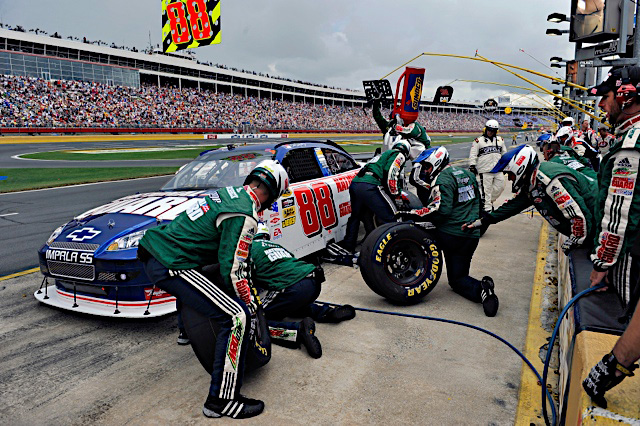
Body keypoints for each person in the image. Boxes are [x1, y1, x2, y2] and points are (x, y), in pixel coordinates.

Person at [138, 160, 289, 419]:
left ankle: (185, 331)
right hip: (172, 261)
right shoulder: (245, 212)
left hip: (159, 252)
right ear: (272, 193)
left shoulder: (229, 193)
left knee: (205, 279)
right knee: (237, 317)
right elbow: (234, 271)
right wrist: (251, 303)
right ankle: (222, 401)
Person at [581, 67, 640, 407]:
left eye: (605, 97)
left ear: (625, 95)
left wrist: (601, 263)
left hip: (633, 254)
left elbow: (618, 212)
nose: (602, 105)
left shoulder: (631, 143)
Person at [400, 146, 499, 317]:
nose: (425, 170)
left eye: (426, 166)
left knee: (414, 228)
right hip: (471, 236)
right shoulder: (467, 174)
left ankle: (409, 274)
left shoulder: (442, 179)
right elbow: (480, 202)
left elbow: (441, 211)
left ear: (436, 162)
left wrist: (411, 214)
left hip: (451, 236)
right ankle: (483, 289)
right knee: (458, 279)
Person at [464, 145, 598, 256]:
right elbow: (512, 207)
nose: (510, 179)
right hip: (594, 223)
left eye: (509, 173)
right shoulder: (533, 183)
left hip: (599, 219)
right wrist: (481, 222)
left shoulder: (547, 178)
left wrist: (576, 240)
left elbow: (578, 215)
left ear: (518, 166)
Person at [251, 223, 356, 329]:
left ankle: (297, 330)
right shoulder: (277, 246)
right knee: (286, 304)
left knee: (256, 318)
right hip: (313, 280)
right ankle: (325, 312)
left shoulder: (249, 248)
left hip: (293, 286)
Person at [341, 139, 411, 253]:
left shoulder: (382, 154)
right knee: (391, 216)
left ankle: (349, 246)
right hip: (370, 185)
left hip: (356, 183)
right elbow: (391, 174)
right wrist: (397, 195)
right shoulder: (399, 154)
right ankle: (396, 247)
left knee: (357, 217)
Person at [468, 119, 507, 212]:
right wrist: (472, 166)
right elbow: (473, 154)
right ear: (485, 129)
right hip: (485, 170)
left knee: (500, 187)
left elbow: (504, 154)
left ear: (496, 131)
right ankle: (488, 209)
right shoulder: (478, 141)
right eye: (489, 130)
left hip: (498, 169)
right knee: (487, 190)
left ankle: (487, 201)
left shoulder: (500, 140)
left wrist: (506, 165)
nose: (490, 132)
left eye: (493, 131)